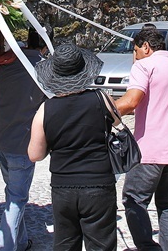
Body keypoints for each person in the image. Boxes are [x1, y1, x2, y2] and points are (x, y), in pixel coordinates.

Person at [28, 43, 116, 251]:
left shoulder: (45, 109)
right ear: (84, 71)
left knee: (66, 244)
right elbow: (118, 123)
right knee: (102, 245)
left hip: (63, 186)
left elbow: (34, 154)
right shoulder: (101, 98)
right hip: (98, 182)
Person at [115, 28, 168, 251]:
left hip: (151, 149)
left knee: (134, 200)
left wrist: (101, 107)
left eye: (136, 50)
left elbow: (131, 101)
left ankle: (148, 248)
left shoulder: (144, 66)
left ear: (146, 47)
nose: (135, 55)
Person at [0, 29, 47, 251]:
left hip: (0, 138)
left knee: (12, 194)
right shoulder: (43, 69)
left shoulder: (7, 62)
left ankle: (20, 241)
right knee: (17, 198)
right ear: (45, 46)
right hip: (22, 142)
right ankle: (4, 247)